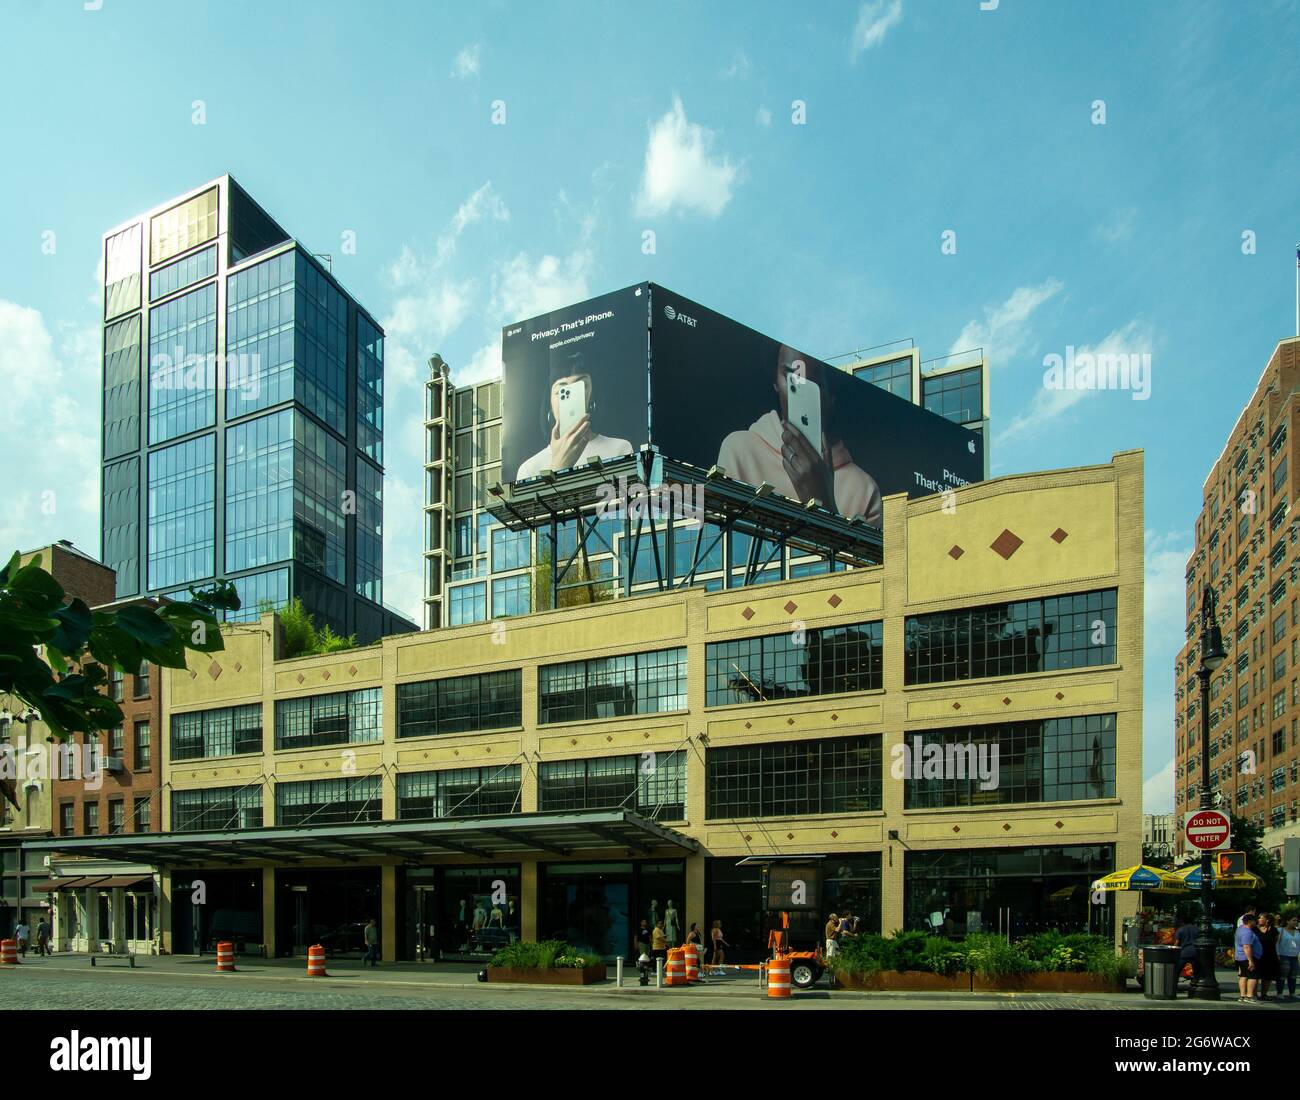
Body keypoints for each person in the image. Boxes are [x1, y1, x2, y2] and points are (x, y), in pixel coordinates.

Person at [716, 346, 883, 524]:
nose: (799, 391)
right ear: (775, 384)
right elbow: (727, 540)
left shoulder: (863, 489)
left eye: (814, 384)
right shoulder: (740, 449)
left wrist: (823, 501)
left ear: (830, 397)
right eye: (790, 377)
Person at [514, 355, 633, 480]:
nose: (571, 397)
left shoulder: (620, 448)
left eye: (581, 386)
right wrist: (559, 465)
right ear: (550, 403)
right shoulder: (529, 469)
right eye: (562, 390)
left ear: (593, 395)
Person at [1234, 912, 1263, 1004]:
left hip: (1240, 957)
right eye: (1255, 920)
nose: (1257, 921)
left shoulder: (1240, 929)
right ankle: (1249, 996)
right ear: (1250, 921)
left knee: (1243, 975)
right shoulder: (1248, 932)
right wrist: (1251, 961)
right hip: (1247, 957)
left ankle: (1242, 995)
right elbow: (1247, 946)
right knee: (1253, 976)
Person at [1255, 912, 1280, 1001]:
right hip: (1257, 955)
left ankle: (1264, 994)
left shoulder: (1273, 930)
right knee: (1255, 975)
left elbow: (1275, 942)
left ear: (1267, 920)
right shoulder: (1255, 929)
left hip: (1269, 955)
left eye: (1260, 918)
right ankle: (1254, 994)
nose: (1258, 919)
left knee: (1267, 976)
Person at [1277, 916, 1299, 1001]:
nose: (1295, 922)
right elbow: (1277, 943)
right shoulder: (1281, 930)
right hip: (1284, 955)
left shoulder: (1297, 932)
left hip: (1294, 956)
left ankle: (1292, 993)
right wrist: (1278, 954)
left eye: (1296, 921)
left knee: (1293, 975)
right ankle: (1280, 993)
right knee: (1282, 975)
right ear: (1287, 921)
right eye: (1293, 920)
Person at [1174, 914, 1200, 984]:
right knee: (1196, 971)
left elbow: (1177, 942)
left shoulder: (1181, 930)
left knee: (1177, 970)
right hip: (1195, 952)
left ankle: (1174, 985)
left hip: (1184, 953)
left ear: (1182, 922)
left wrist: (1174, 951)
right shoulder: (1197, 929)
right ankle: (1195, 983)